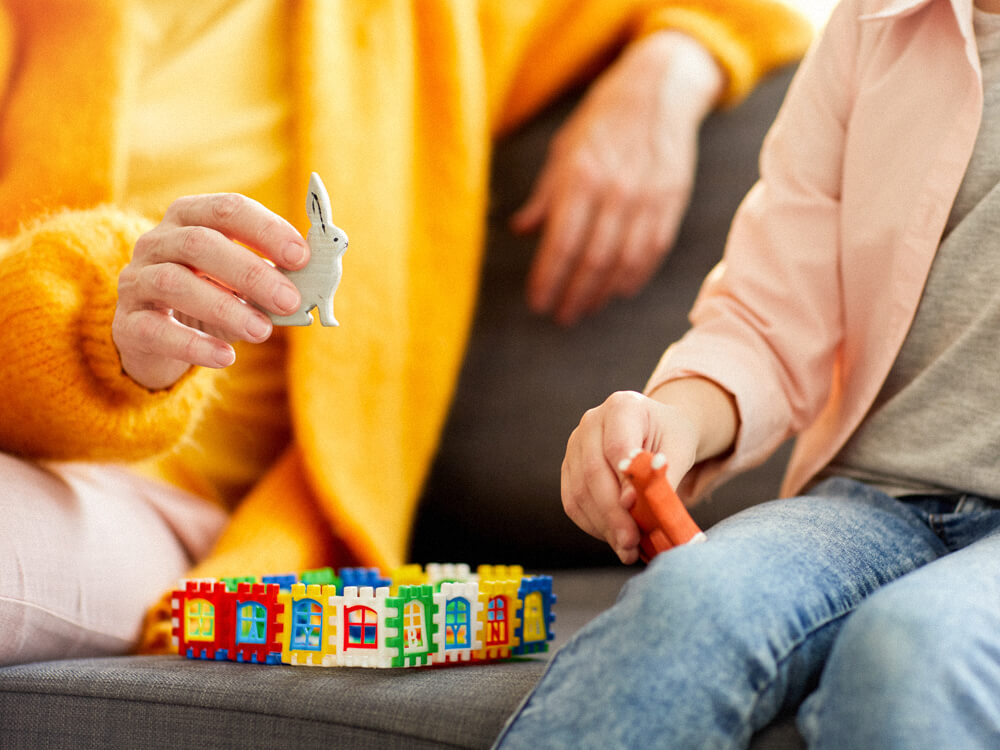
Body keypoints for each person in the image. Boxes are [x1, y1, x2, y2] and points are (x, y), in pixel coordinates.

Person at [0, 1, 809, 665]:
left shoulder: (429, 20)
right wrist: (85, 336)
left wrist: (666, 73)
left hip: (182, 508)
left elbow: (753, 14)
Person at [494, 0, 1000, 746]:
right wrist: (676, 420)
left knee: (913, 648)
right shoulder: (871, 24)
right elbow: (769, 316)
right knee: (687, 603)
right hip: (878, 502)